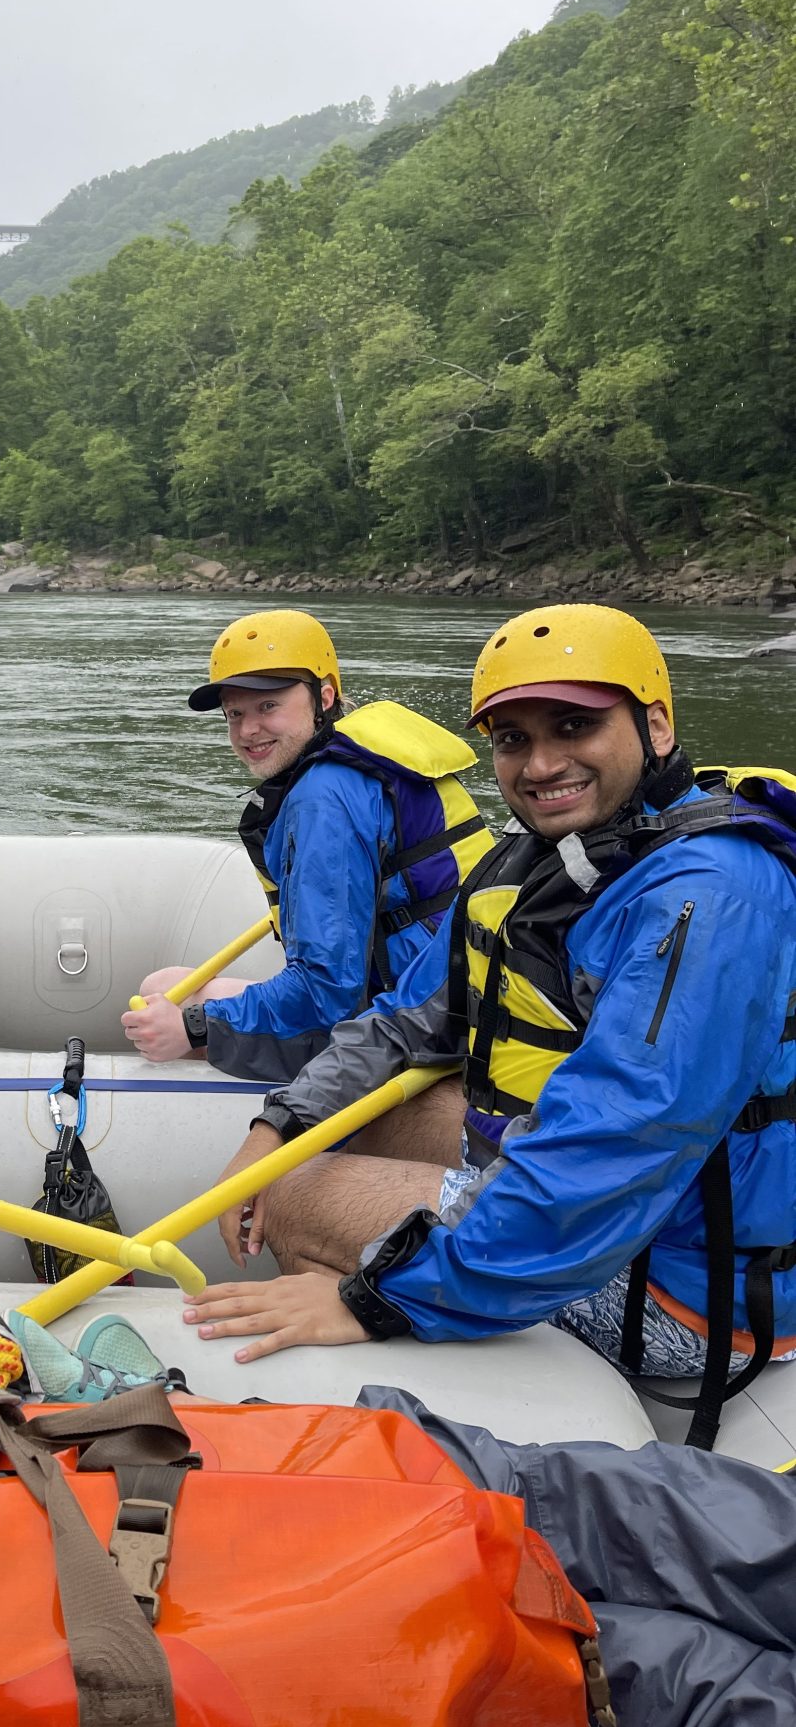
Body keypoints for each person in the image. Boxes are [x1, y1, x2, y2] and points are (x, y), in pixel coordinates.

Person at [186, 604, 796, 1449]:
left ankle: (372, 1410)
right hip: (624, 1213)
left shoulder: (713, 894)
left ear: (654, 724)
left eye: (574, 725)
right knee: (349, 1123)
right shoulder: (539, 855)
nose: (541, 763)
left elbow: (609, 1151)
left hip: (679, 1285)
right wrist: (276, 1123)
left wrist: (375, 1295)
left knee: (295, 1197)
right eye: (513, 739)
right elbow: (405, 1020)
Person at [123, 609, 494, 1084]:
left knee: (166, 994)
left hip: (406, 1025)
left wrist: (194, 1030)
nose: (247, 731)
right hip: (455, 997)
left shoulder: (324, 797)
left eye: (268, 706)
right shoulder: (361, 760)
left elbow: (327, 992)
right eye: (235, 713)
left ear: (324, 697)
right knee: (171, 988)